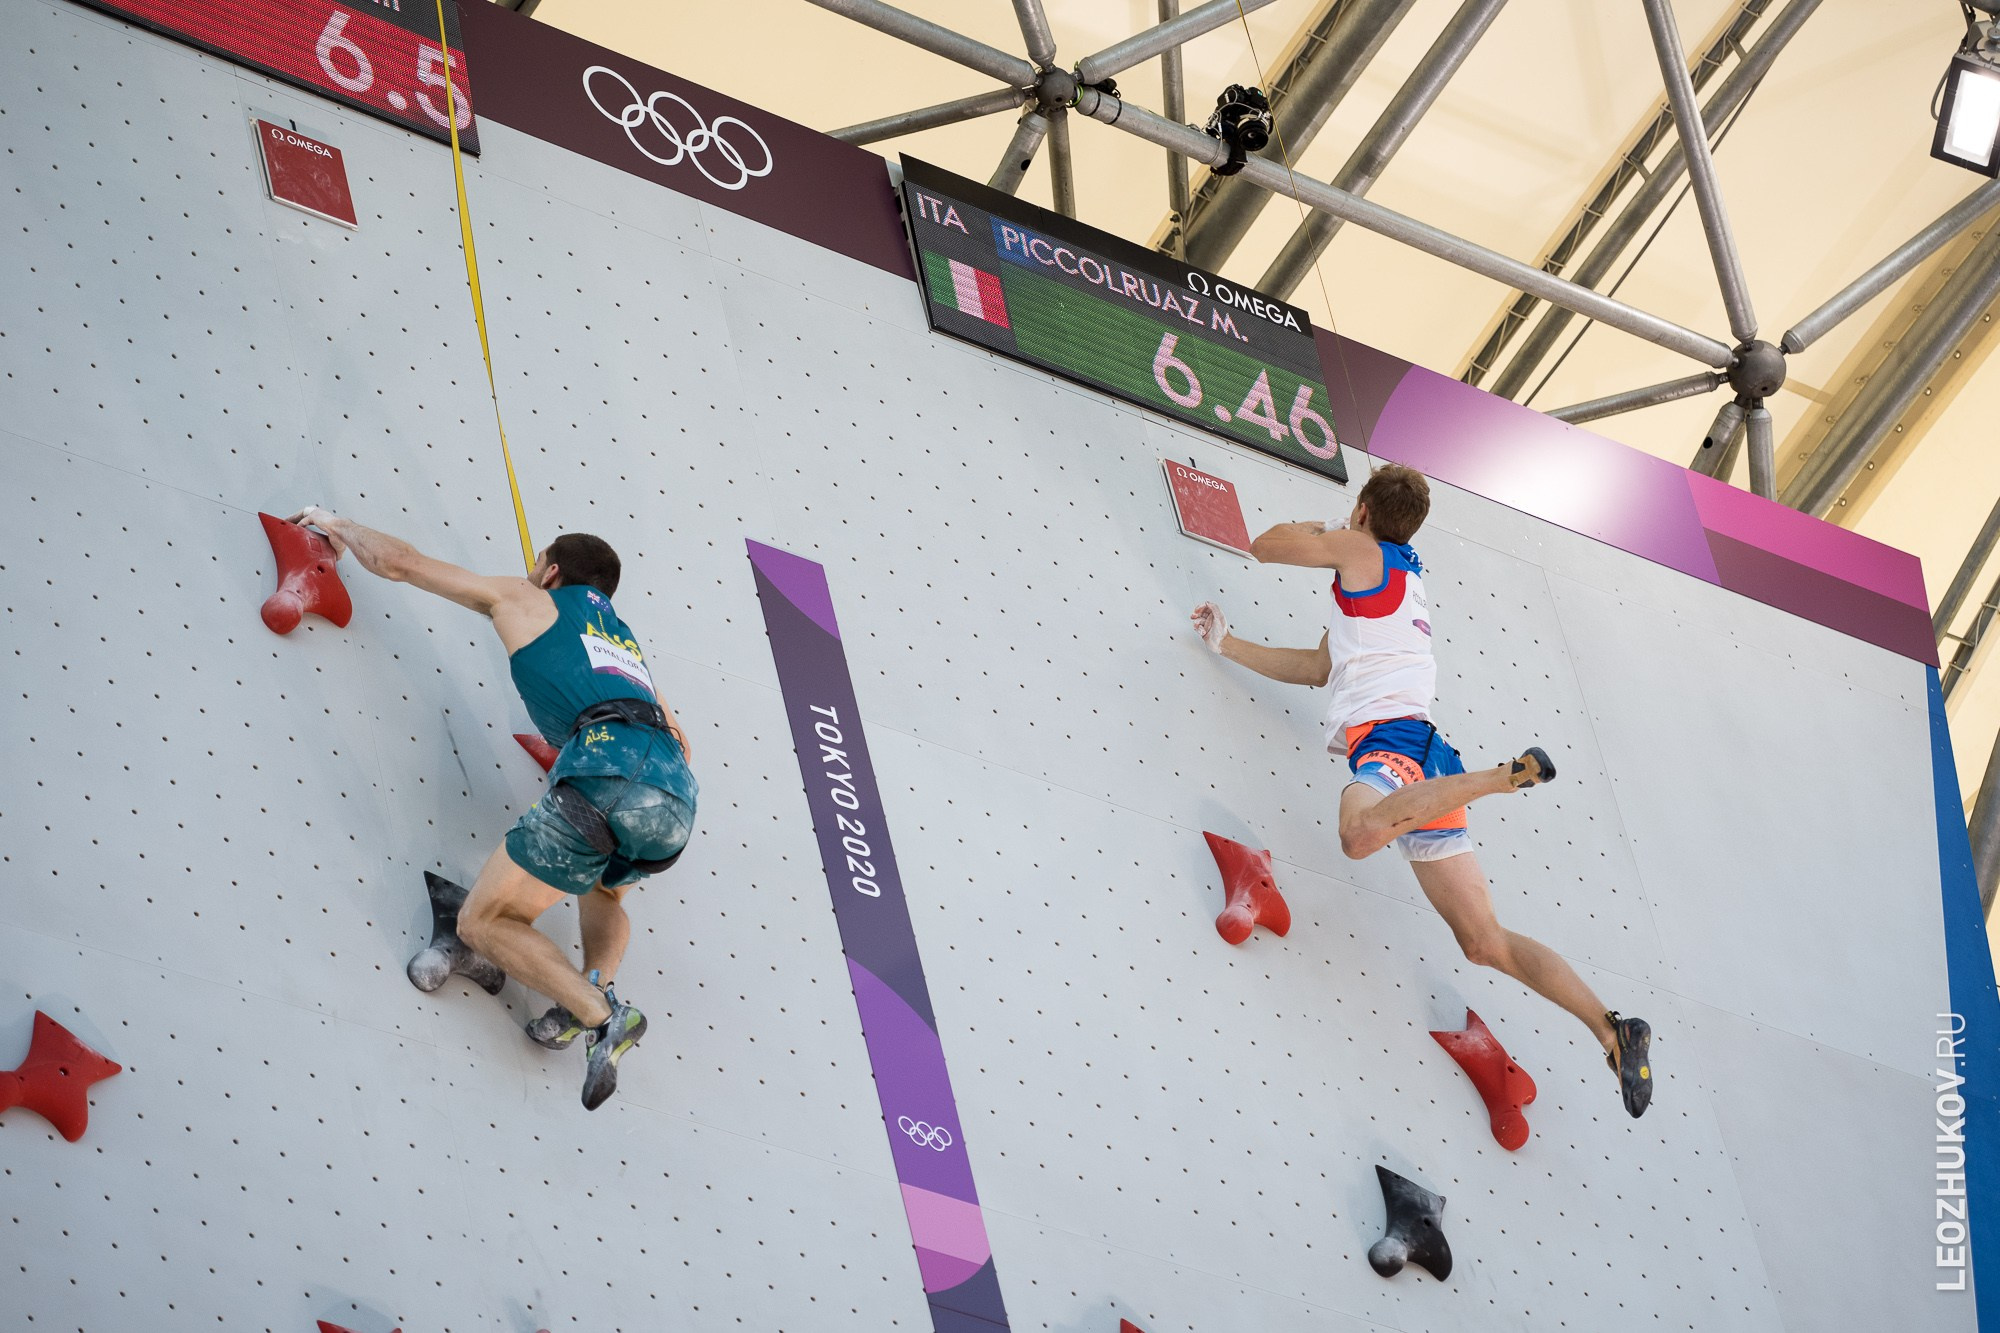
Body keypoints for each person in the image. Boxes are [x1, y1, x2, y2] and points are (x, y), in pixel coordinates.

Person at [1188, 464, 1651, 1118]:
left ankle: (1500, 778)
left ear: (1363, 510)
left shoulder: (1363, 551)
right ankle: (1612, 1031)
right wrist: (1227, 644)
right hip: (1429, 763)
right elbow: (1318, 668)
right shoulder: (1397, 582)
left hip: (1396, 746)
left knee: (1358, 834)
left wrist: (1333, 527)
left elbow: (1265, 545)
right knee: (1483, 941)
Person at [286, 507, 697, 1111]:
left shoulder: (530, 598)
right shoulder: (624, 645)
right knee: (605, 893)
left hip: (606, 773)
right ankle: (590, 987)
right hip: (675, 795)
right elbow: (682, 741)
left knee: (482, 923)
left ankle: (601, 1015)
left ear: (550, 572)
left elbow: (402, 564)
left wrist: (335, 525)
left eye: (537, 563)